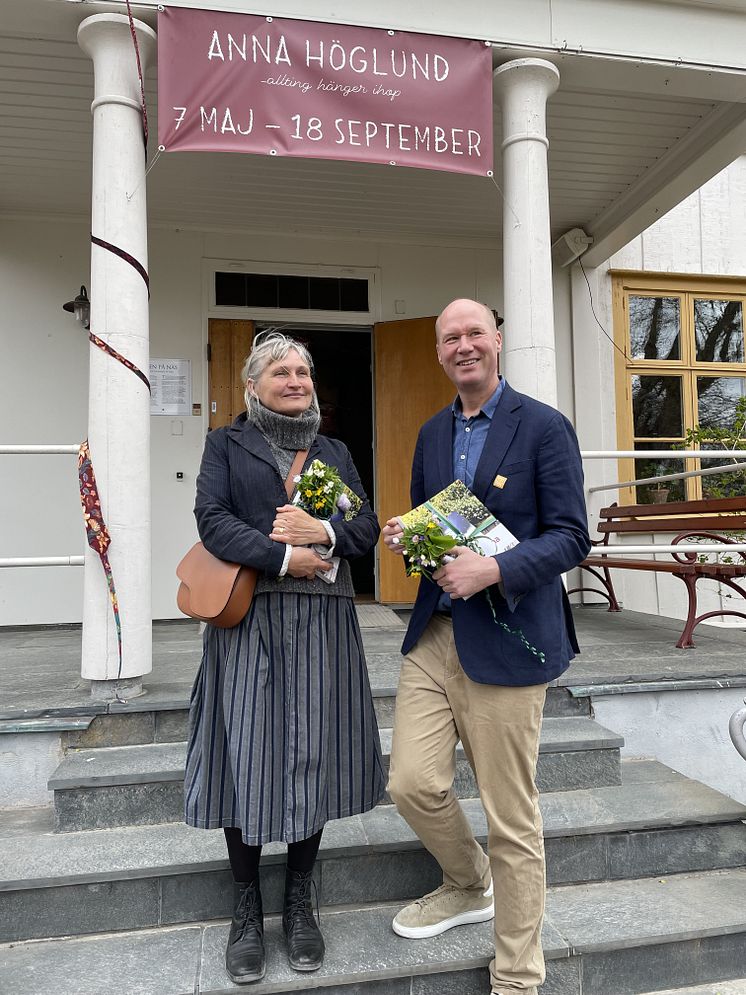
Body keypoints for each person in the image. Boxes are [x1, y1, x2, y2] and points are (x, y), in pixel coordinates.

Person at [382, 299, 591, 995]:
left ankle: (518, 978)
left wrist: (495, 568)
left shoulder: (544, 426)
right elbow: (432, 532)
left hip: (509, 639)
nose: (463, 345)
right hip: (436, 634)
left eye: (475, 332)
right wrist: (407, 537)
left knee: (513, 816)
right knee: (411, 782)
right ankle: (469, 882)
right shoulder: (430, 433)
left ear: (497, 341)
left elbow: (570, 535)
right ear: (440, 353)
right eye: (450, 338)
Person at [185, 330, 385, 985]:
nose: (296, 379)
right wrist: (282, 556)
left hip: (322, 623)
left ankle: (299, 902)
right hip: (249, 622)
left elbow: (365, 528)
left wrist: (322, 531)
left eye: (303, 370)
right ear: (253, 385)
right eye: (281, 370)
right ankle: (247, 910)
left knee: (312, 755)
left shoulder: (333, 450)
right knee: (246, 757)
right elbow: (211, 518)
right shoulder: (226, 443)